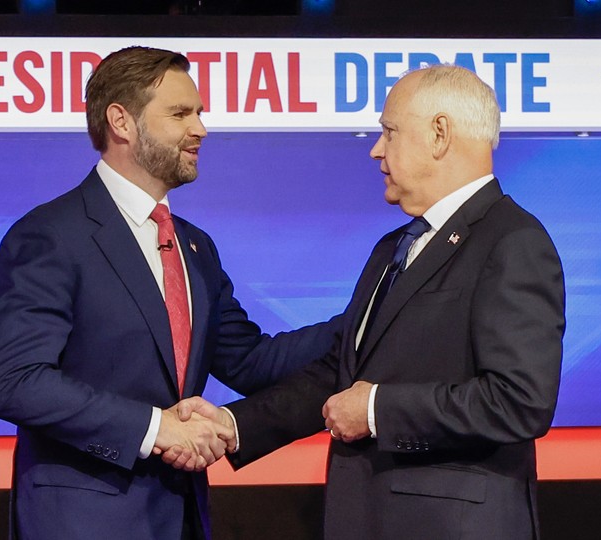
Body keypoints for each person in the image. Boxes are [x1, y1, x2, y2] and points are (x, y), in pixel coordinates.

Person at [174, 64, 566, 539]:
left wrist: (378, 409)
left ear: (439, 134)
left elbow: (519, 402)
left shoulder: (512, 242)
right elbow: (341, 372)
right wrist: (233, 425)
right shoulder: (393, 247)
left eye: (390, 132)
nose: (376, 149)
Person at [0, 46, 336, 540]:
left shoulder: (195, 246)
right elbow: (14, 382)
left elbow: (250, 361)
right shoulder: (50, 235)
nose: (201, 130)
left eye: (200, 113)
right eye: (181, 114)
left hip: (182, 515)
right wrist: (155, 428)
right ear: (121, 121)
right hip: (83, 522)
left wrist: (367, 318)